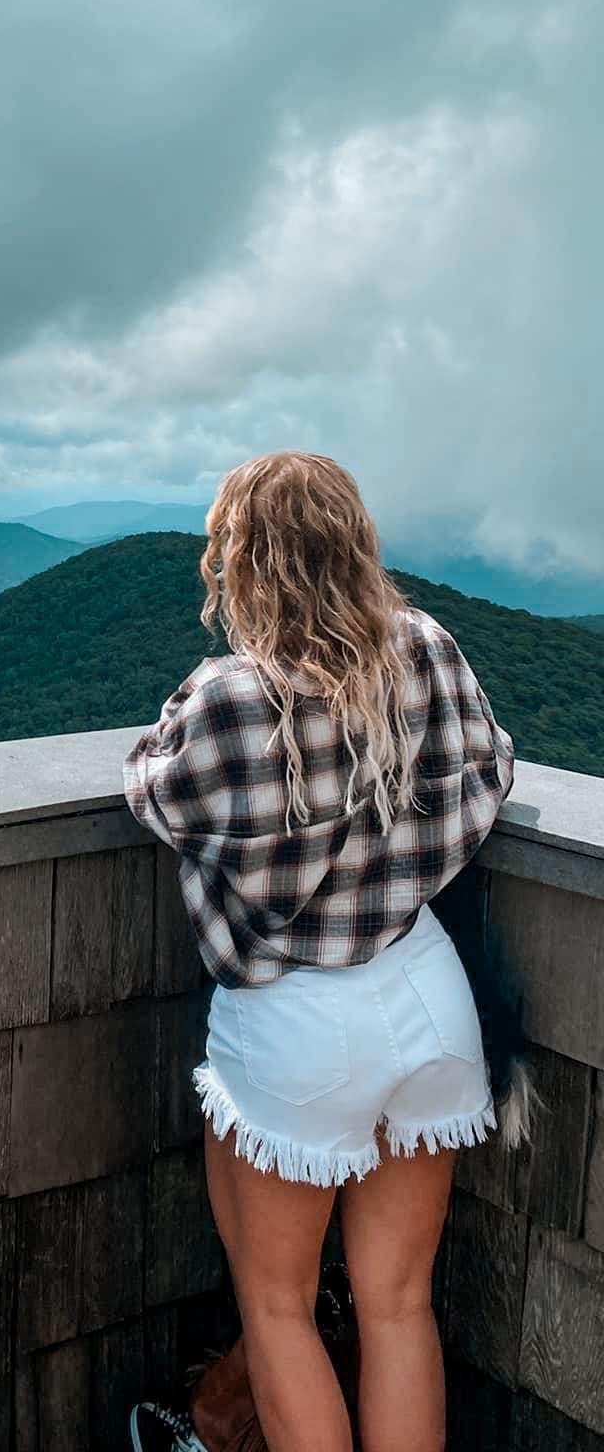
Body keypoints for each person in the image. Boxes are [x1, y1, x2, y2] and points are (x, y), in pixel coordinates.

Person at [121, 452, 516, 1452]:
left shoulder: (226, 696)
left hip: (297, 1022)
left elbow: (156, 791)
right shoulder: (423, 647)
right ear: (354, 542)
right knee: (396, 1305)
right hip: (425, 995)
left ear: (240, 560)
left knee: (281, 1307)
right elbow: (491, 767)